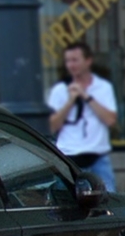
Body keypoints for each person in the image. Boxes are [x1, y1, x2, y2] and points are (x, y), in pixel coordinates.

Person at [46, 40, 119, 192]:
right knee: (65, 202)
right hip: (68, 158)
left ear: (88, 61)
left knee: (109, 201)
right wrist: (70, 101)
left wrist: (87, 97)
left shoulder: (103, 87)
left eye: (75, 60)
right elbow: (52, 126)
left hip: (98, 158)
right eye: (67, 61)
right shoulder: (60, 89)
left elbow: (110, 120)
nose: (71, 65)